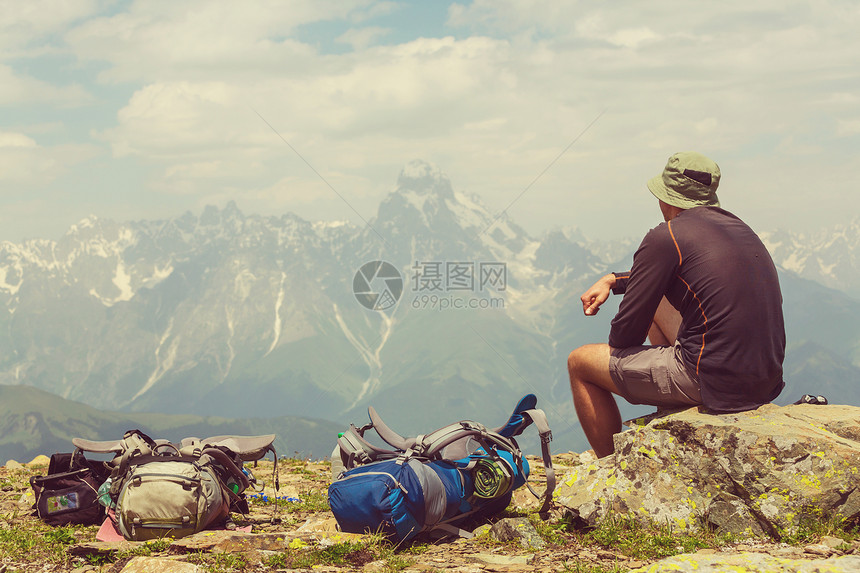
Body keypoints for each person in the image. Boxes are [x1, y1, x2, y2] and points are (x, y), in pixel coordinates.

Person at [568, 151, 785, 458]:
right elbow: (691, 272)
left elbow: (624, 339)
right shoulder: (740, 230)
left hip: (712, 380)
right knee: (660, 304)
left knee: (579, 362)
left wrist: (635, 296)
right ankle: (671, 412)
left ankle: (608, 470)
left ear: (666, 198)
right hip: (765, 378)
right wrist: (615, 281)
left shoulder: (665, 236)